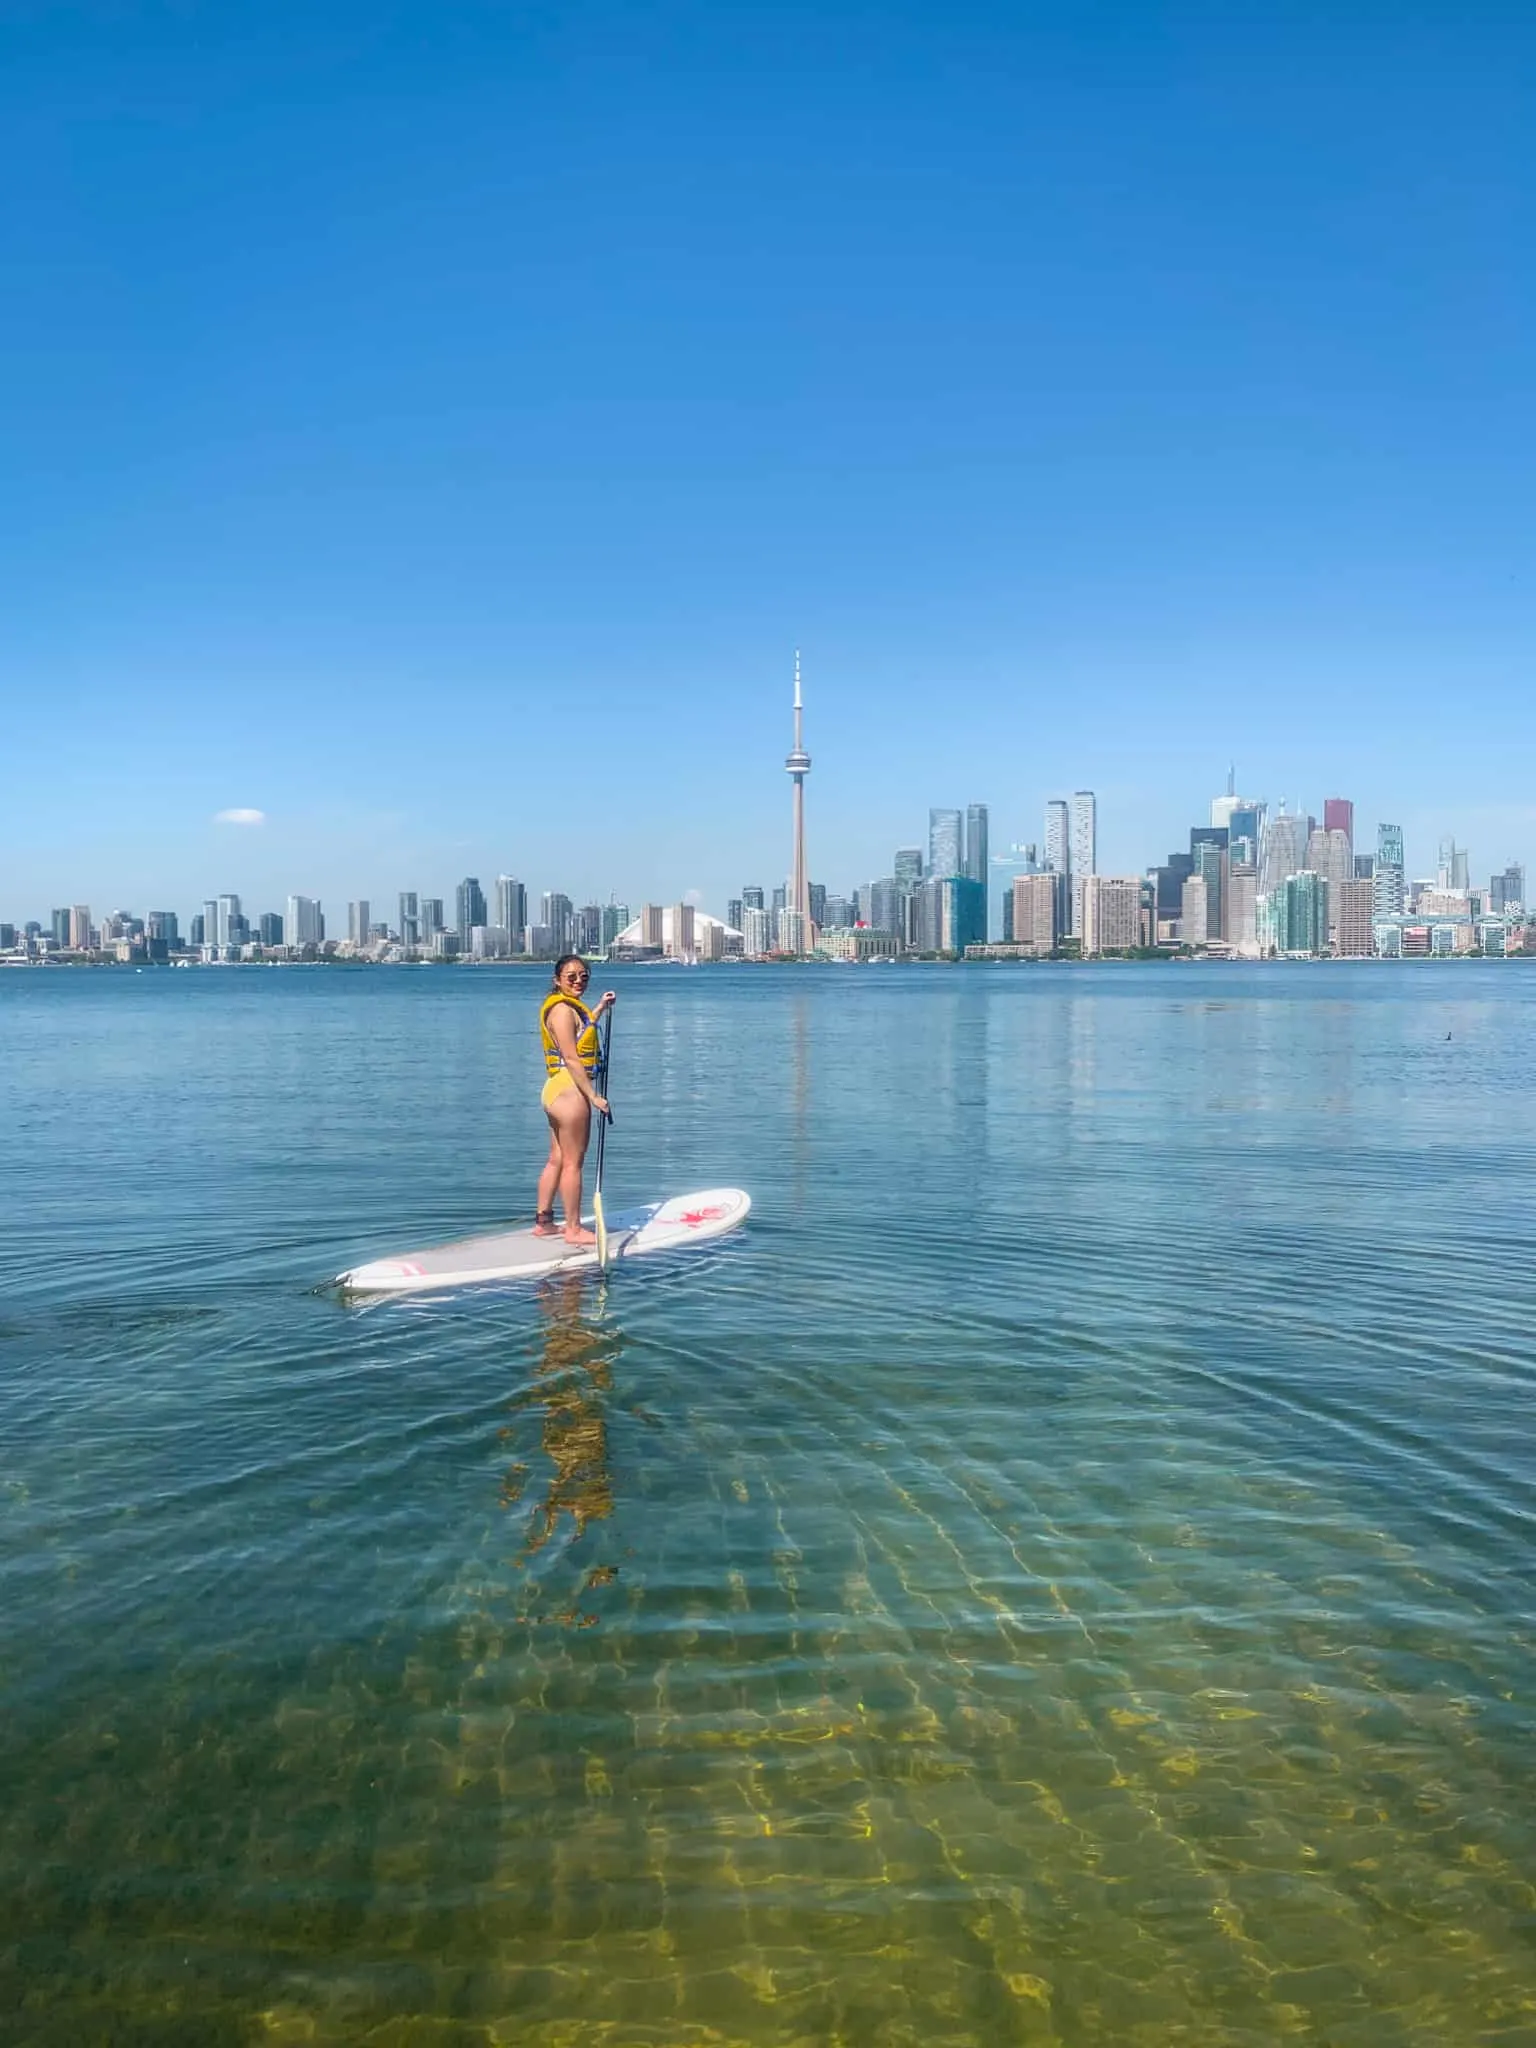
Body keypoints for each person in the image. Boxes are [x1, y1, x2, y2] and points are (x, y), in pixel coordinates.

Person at [534, 955, 616, 1244]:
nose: (578, 981)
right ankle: (573, 1228)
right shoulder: (561, 1011)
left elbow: (580, 1036)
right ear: (557, 980)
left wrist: (600, 1009)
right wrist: (594, 1096)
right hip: (570, 1091)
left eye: (584, 976)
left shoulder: (565, 1009)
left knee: (556, 1159)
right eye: (571, 977)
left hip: (555, 1090)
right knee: (573, 1163)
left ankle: (544, 1222)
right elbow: (571, 1057)